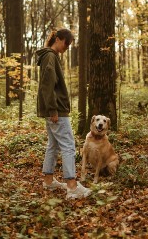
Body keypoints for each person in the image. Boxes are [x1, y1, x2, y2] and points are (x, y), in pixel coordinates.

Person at [36, 28, 92, 199]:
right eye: (67, 43)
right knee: (68, 146)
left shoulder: (49, 57)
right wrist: (53, 109)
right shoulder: (50, 56)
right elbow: (47, 85)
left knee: (53, 145)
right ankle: (72, 186)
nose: (68, 47)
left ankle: (48, 181)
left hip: (54, 109)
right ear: (58, 39)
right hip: (56, 110)